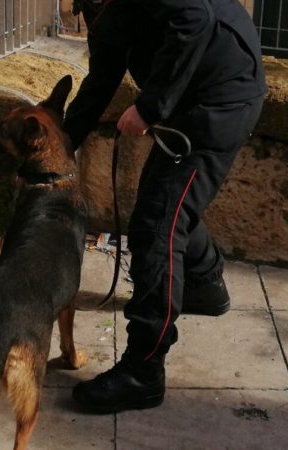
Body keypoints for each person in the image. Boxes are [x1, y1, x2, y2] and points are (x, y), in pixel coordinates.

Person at [62, 0, 267, 413]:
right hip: (194, 98)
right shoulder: (100, 9)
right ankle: (206, 286)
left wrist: (150, 105)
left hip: (220, 99)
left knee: (157, 226)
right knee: (169, 205)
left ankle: (143, 371)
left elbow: (196, 18)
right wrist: (61, 147)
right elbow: (102, 78)